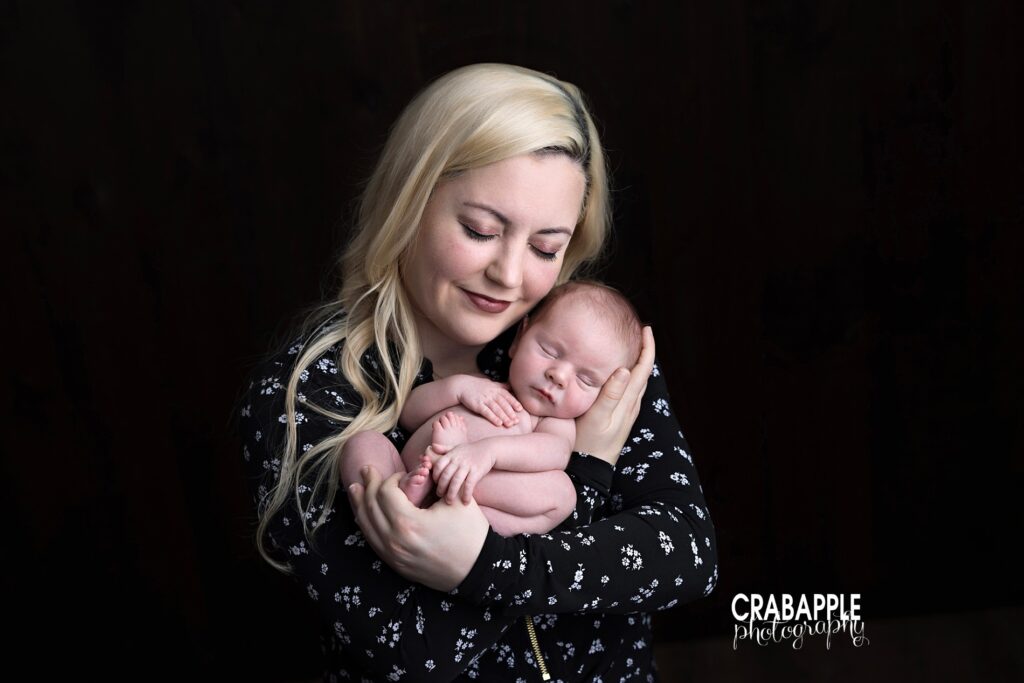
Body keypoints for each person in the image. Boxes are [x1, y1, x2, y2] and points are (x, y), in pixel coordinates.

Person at [240, 63, 717, 682]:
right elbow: (413, 649)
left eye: (546, 248)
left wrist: (496, 554)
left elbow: (686, 555)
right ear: (408, 203)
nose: (511, 276)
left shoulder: (580, 349)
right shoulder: (312, 389)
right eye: (480, 230)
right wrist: (588, 479)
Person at [340, 281, 644, 536]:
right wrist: (458, 388)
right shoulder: (481, 386)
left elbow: (554, 452)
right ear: (519, 339)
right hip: (409, 472)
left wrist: (485, 453)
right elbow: (408, 415)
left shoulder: (552, 423)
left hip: (474, 497)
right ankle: (391, 498)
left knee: (563, 494)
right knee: (364, 442)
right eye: (549, 351)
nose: (559, 376)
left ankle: (470, 526)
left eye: (586, 380)